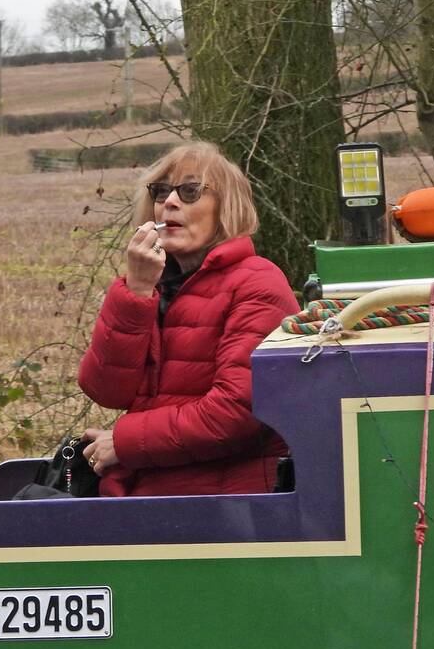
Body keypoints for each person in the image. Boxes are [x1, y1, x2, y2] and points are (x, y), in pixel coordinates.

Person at [79, 141, 297, 496]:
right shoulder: (153, 285)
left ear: (227, 208)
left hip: (226, 506)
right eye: (161, 191)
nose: (170, 201)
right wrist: (135, 292)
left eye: (191, 191)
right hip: (150, 494)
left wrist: (124, 442)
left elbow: (236, 414)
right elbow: (105, 389)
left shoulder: (258, 283)